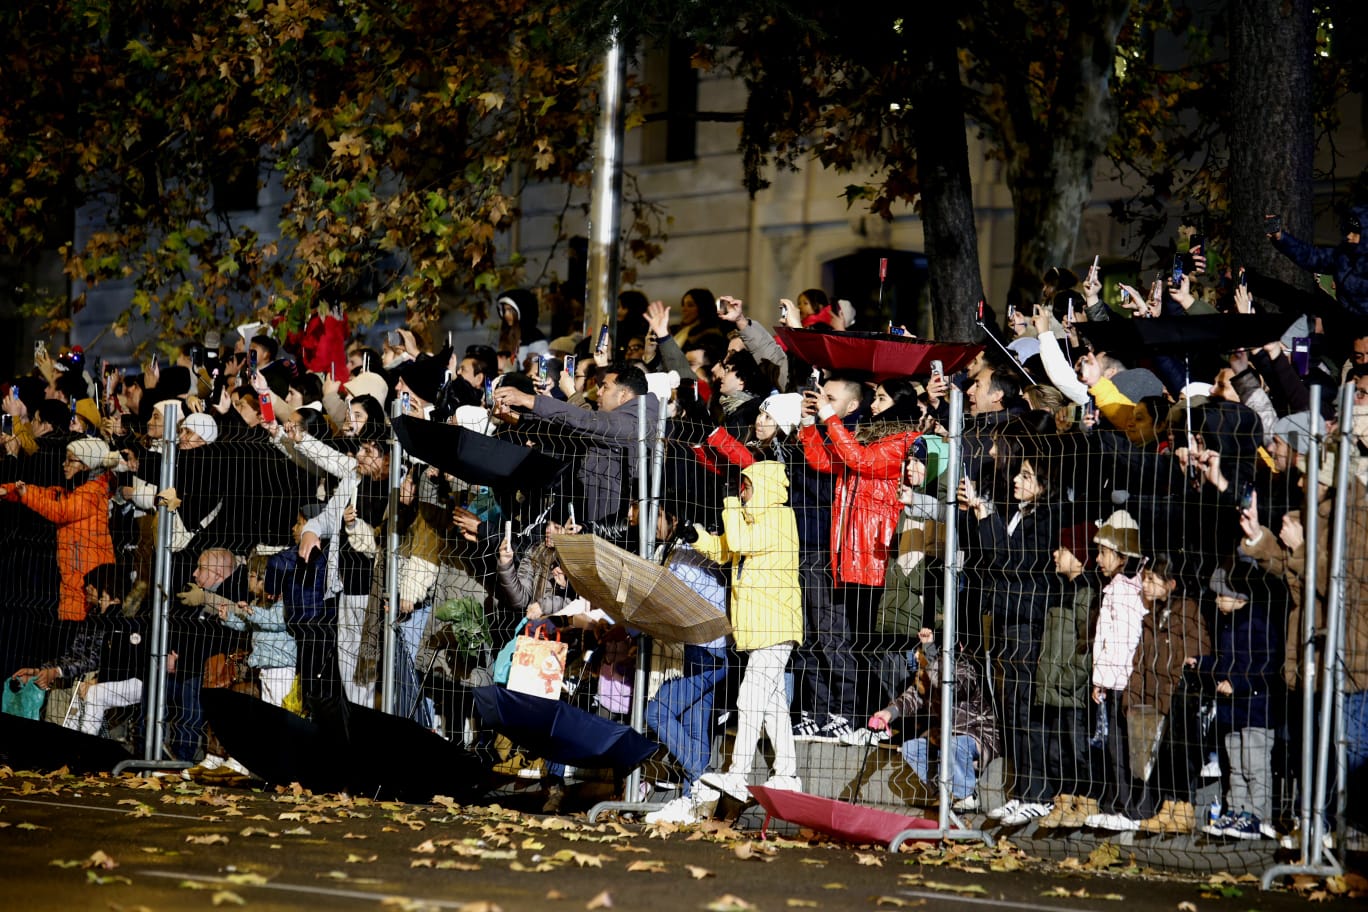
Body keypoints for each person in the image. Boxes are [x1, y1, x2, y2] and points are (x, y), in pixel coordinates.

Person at [695, 461, 804, 801]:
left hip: (776, 624)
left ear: (765, 488)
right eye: (740, 487)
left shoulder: (780, 518)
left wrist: (728, 503)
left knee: (750, 697)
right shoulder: (753, 523)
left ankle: (737, 773)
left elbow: (739, 541)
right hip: (761, 628)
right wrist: (695, 537)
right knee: (772, 706)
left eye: (746, 487)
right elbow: (727, 550)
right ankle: (787, 774)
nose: (742, 493)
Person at [643, 503, 730, 825]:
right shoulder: (682, 552)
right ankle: (693, 799)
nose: (652, 525)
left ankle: (703, 781)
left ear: (675, 519)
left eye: (658, 518)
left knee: (657, 712)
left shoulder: (685, 556)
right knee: (695, 729)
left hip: (708, 653)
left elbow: (671, 603)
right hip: (703, 652)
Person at [1193, 564, 1284, 840]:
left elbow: (1266, 666)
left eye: (1222, 595)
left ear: (1240, 597)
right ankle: (1237, 811)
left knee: (1255, 765)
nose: (1217, 600)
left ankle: (1257, 815)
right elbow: (1225, 663)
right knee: (1236, 767)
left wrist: (1238, 684)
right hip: (1232, 711)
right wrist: (1202, 663)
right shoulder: (1228, 626)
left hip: (1256, 710)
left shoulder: (1259, 624)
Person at [868, 627, 999, 812]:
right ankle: (943, 793)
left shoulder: (965, 669)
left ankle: (968, 794)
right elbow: (912, 698)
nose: (916, 656)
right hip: (945, 740)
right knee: (911, 748)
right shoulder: (930, 674)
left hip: (978, 739)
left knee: (948, 742)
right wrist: (888, 713)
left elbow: (953, 686)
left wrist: (928, 657)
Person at [9, 564, 144, 739]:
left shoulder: (118, 622)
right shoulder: (94, 617)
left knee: (79, 684)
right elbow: (75, 653)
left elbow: (96, 660)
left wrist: (58, 672)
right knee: (58, 689)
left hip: (102, 677)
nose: (86, 588)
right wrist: (41, 671)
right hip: (83, 673)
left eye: (93, 584)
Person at [0, 437, 119, 622]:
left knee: (80, 628)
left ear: (87, 465)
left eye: (71, 460)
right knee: (69, 627)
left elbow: (60, 512)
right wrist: (8, 490)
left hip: (89, 578)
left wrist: (25, 495)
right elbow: (43, 493)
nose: (64, 465)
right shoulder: (73, 492)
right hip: (74, 574)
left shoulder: (92, 493)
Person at [1082, 510, 1149, 831]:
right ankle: (1114, 802)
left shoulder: (1128, 592)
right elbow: (1105, 643)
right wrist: (1100, 680)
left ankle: (1128, 808)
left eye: (1103, 553)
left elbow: (1124, 642)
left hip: (1126, 684)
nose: (1097, 560)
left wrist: (1108, 680)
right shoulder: (1113, 589)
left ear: (1123, 555)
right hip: (1111, 683)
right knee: (1112, 746)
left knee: (1126, 748)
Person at [1268, 205, 1368, 319]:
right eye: (1347, 229)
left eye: (1356, 232)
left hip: (1357, 330)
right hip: (1339, 320)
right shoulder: (1344, 256)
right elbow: (1312, 257)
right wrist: (1281, 238)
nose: (1349, 236)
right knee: (1296, 299)